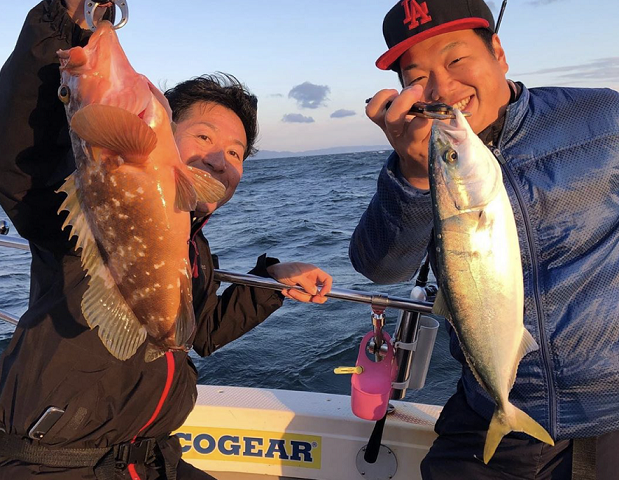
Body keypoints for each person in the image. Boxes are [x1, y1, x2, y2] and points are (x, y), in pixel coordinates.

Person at [0, 1, 332, 479]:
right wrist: (61, 18)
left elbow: (200, 330)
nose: (221, 159)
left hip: (151, 457)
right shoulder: (85, 197)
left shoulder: (190, 244)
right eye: (202, 136)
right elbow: (18, 163)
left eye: (236, 152)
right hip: (56, 458)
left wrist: (272, 280)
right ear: (161, 130)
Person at [349, 0, 619, 478]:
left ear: (498, 50)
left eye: (456, 60)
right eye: (416, 76)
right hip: (495, 408)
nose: (442, 87)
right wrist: (411, 177)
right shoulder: (423, 159)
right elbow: (381, 268)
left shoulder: (603, 116)